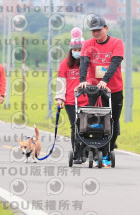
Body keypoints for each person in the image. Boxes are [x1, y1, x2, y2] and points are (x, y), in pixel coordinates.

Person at [77, 16, 124, 167]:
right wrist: (82, 80)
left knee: (112, 120)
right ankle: (96, 151)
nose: (96, 33)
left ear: (106, 28)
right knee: (95, 121)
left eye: (98, 30)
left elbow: (115, 63)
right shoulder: (88, 44)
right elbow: (84, 62)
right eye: (93, 31)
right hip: (94, 89)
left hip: (113, 89)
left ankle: (108, 152)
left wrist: (105, 80)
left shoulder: (117, 43)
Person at [55, 27, 88, 164]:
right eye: (74, 49)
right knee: (75, 127)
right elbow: (61, 82)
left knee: (85, 127)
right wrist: (59, 99)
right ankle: (77, 154)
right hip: (70, 101)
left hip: (86, 101)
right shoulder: (65, 64)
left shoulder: (88, 63)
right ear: (71, 50)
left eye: (79, 49)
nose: (77, 52)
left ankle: (84, 152)